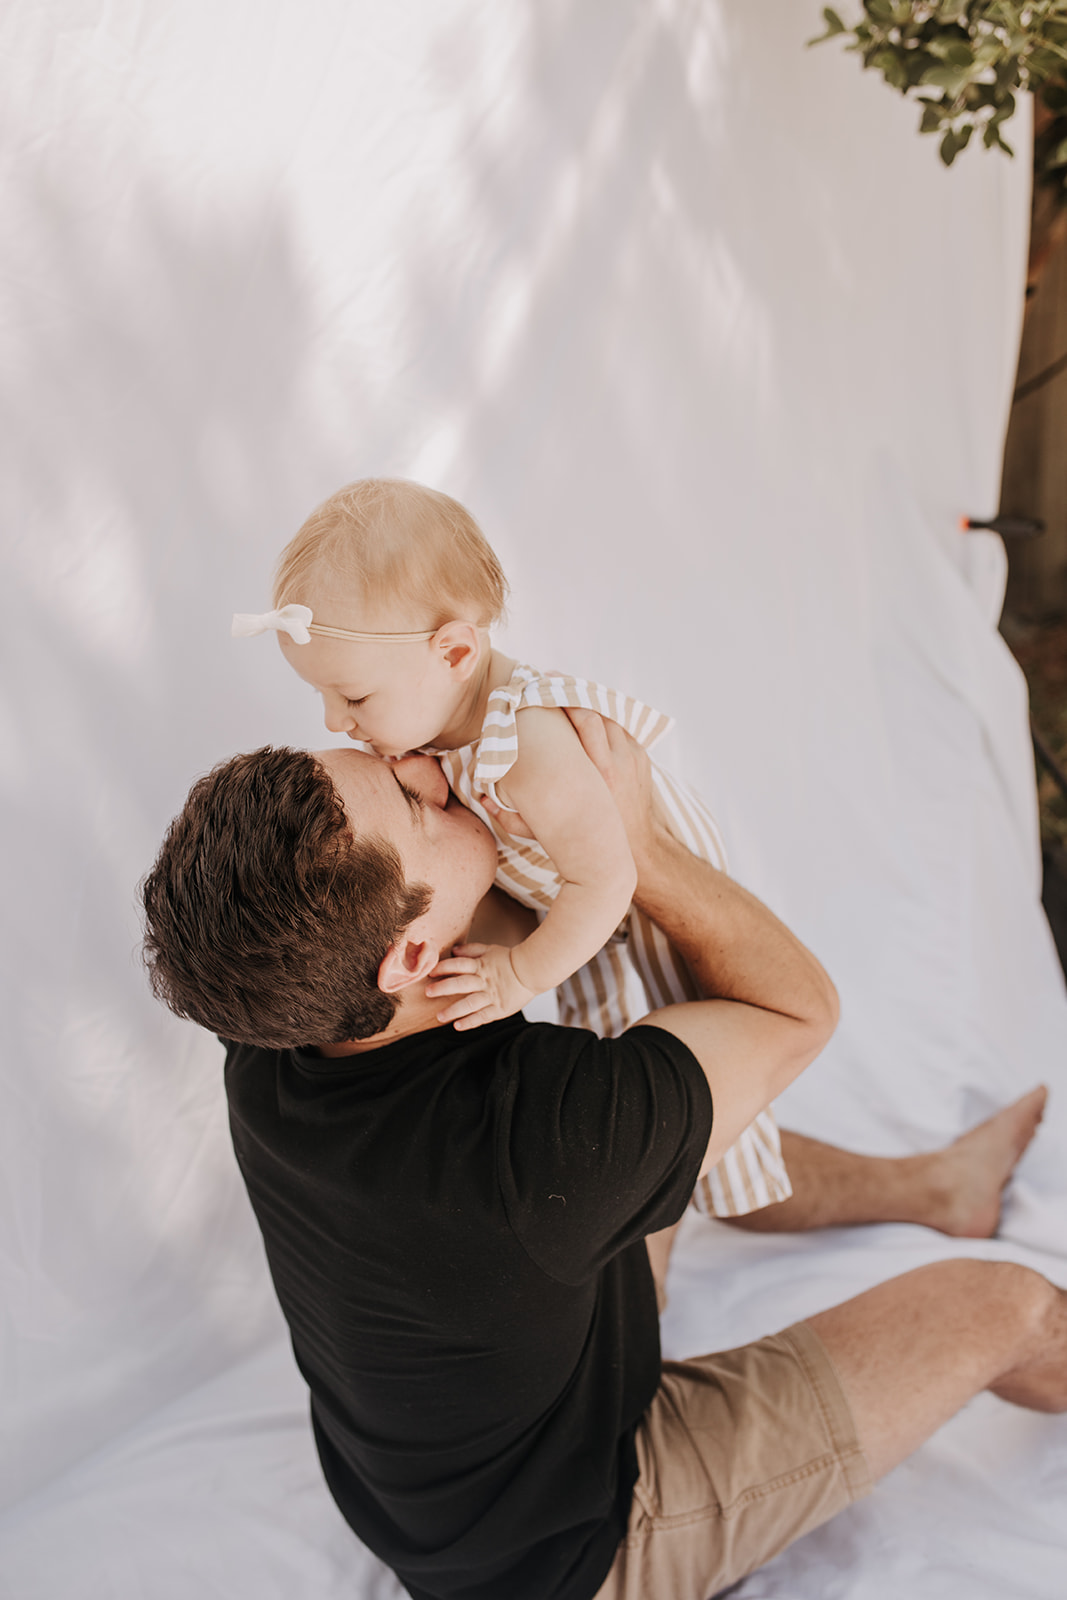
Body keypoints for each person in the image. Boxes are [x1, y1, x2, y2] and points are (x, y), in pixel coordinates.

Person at [140, 714, 1060, 1600]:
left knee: (662, 1116)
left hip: (422, 1487)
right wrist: (640, 843)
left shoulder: (275, 1028)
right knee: (1008, 1306)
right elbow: (794, 1013)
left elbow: (488, 906)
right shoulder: (537, 1146)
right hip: (579, 1549)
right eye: (409, 799)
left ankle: (935, 1188)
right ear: (411, 958)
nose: (418, 763)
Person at [231, 475, 786, 1220]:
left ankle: (724, 1178)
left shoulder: (525, 744)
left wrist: (522, 975)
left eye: (355, 698)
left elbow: (609, 880)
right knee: (593, 1034)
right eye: (323, 699)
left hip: (634, 901)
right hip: (564, 895)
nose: (335, 722)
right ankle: (657, 1201)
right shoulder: (439, 715)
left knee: (665, 1025)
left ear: (454, 651)